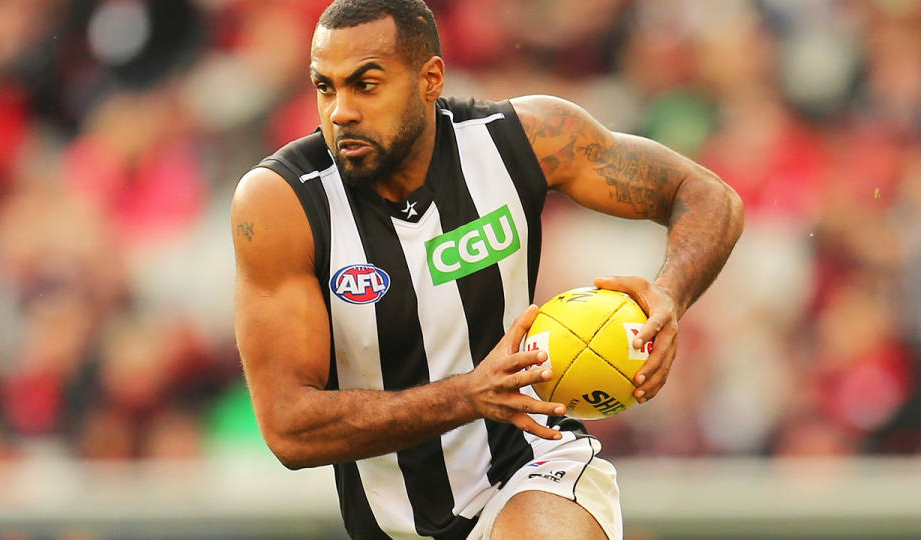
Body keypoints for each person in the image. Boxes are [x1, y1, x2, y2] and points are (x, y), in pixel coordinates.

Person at [231, 1, 744, 538]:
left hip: (530, 464)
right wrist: (467, 395)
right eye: (325, 87)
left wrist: (670, 295)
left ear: (430, 79)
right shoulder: (281, 202)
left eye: (366, 85)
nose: (340, 111)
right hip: (388, 521)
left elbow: (707, 195)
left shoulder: (524, 138)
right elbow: (289, 429)